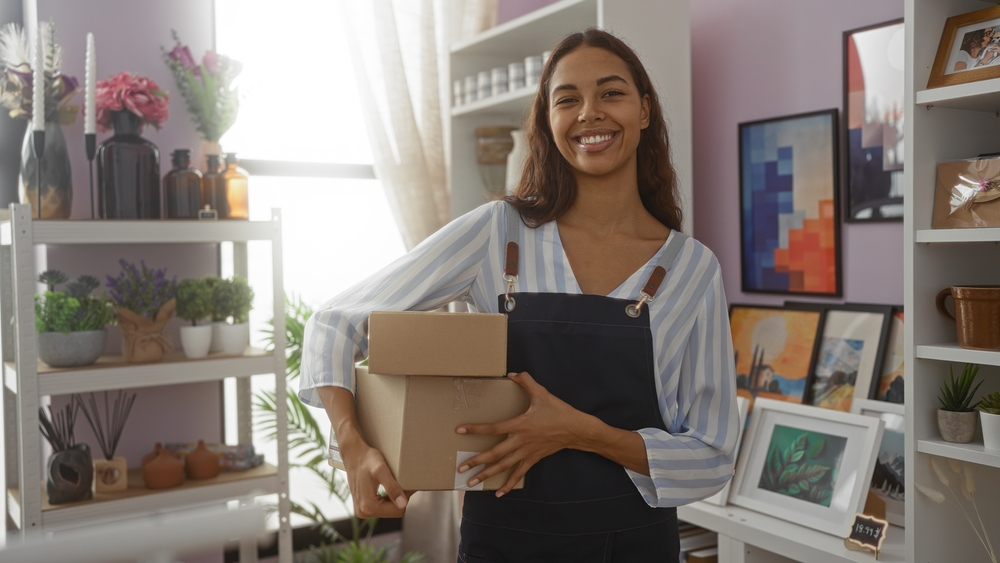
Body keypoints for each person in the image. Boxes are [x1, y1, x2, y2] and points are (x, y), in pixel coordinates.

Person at [300, 28, 739, 563]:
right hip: (503, 543)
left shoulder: (691, 270)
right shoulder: (498, 234)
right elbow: (334, 323)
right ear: (548, 121)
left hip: (634, 546)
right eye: (568, 99)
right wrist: (354, 446)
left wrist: (582, 433)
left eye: (611, 93)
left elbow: (712, 455)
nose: (589, 113)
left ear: (644, 110)